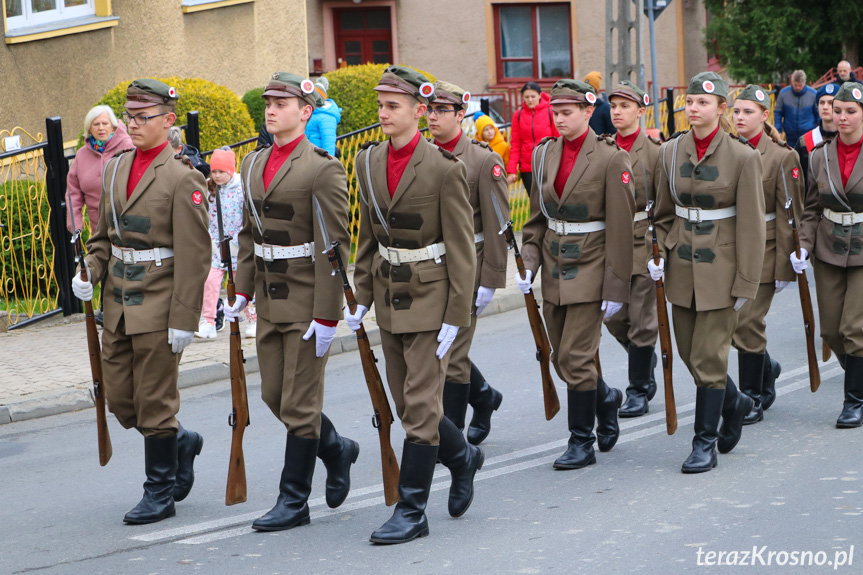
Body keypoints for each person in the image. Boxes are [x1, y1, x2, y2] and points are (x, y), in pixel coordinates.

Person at [347, 66, 480, 545]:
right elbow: (368, 237)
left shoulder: (446, 169)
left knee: (420, 408)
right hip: (388, 295)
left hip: (431, 297)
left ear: (419, 111)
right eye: (380, 106)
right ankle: (462, 455)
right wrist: (360, 295)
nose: (383, 114)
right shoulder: (366, 163)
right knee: (406, 402)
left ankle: (411, 509)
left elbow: (463, 249)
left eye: (393, 106)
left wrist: (456, 315)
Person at [70, 79, 211, 524]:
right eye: (130, 116)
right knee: (121, 401)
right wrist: (88, 271)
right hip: (117, 302)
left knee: (155, 400)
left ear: (168, 121)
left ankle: (159, 492)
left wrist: (185, 315)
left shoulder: (182, 176)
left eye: (142, 117)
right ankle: (180, 441)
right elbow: (101, 240)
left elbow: (195, 252)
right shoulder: (114, 168)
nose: (133, 123)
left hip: (160, 300)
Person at [224, 72, 360, 531]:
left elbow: (334, 246)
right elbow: (248, 234)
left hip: (306, 298)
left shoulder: (322, 167)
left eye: (281, 103)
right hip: (269, 296)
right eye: (268, 103)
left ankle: (293, 501)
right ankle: (338, 449)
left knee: (299, 403)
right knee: (272, 395)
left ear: (305, 112)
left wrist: (328, 314)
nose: (271, 109)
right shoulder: (252, 164)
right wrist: (242, 290)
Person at [517, 79, 635, 470]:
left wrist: (617, 284)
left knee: (576, 357)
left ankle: (580, 440)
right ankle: (606, 399)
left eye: (567, 112)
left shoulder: (610, 157)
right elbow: (536, 219)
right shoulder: (544, 154)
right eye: (556, 112)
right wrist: (528, 263)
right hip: (554, 266)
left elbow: (621, 227)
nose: (560, 119)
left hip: (593, 264)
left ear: (588, 112)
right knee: (561, 360)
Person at [649, 72, 764, 473]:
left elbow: (753, 225)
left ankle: (704, 441)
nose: (694, 109)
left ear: (721, 109)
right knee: (689, 353)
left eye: (703, 103)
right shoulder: (670, 152)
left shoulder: (743, 157)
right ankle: (735, 402)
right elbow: (662, 212)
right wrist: (662, 248)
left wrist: (746, 281)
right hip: (681, 266)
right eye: (691, 103)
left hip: (722, 269)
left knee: (709, 358)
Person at [427, 81, 509, 445]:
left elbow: (497, 223)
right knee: (437, 346)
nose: (432, 116)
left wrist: (491, 277)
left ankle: (452, 436)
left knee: (454, 353)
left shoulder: (482, 159)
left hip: (471, 265)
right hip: (430, 269)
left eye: (441, 110)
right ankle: (485, 396)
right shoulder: (424, 155)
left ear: (461, 115)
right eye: (428, 110)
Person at [730, 85, 802, 424]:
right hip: (731, 250)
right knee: (731, 324)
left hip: (766, 250)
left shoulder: (781, 156)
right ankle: (766, 367)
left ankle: (753, 395)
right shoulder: (727, 150)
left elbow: (792, 216)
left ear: (764, 116)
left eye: (747, 112)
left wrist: (786, 266)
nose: (740, 117)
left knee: (747, 321)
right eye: (736, 111)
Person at [793, 81, 863, 429]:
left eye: (851, 111)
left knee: (855, 328)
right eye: (838, 111)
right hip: (829, 247)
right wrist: (803, 246)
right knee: (832, 332)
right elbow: (811, 208)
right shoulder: (819, 155)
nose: (843, 117)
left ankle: (854, 400)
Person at [604, 81, 661, 417]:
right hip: (611, 241)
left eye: (625, 106)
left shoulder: (654, 152)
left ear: (641, 111)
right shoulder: (604, 149)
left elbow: (664, 202)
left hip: (642, 237)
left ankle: (638, 388)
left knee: (642, 318)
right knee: (612, 316)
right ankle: (644, 358)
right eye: (613, 106)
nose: (617, 112)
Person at [194, 147, 254, 339]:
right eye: (214, 171)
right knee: (210, 283)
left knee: (241, 285)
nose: (217, 176)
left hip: (237, 245)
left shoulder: (241, 189)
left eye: (222, 171)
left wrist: (242, 241)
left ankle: (253, 320)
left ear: (230, 171)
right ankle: (209, 322)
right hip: (216, 246)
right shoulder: (208, 189)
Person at [66, 105, 133, 233]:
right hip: (98, 229)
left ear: (113, 126)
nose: (101, 128)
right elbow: (73, 193)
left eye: (105, 123)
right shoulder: (81, 154)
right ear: (89, 129)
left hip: (127, 224)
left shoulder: (127, 146)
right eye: (96, 124)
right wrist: (75, 226)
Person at [506, 81, 559, 191]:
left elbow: (558, 140)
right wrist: (512, 170)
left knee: (549, 200)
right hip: (527, 167)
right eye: (527, 97)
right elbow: (515, 144)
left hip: (548, 164)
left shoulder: (551, 111)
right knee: (534, 203)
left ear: (540, 95)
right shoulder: (518, 115)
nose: (530, 100)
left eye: (533, 96)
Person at [796, 83, 839, 186]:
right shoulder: (804, 141)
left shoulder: (850, 139)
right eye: (821, 102)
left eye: (830, 103)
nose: (825, 107)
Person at [774, 70, 817, 147]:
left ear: (805, 82)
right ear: (791, 82)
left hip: (808, 134)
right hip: (790, 135)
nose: (797, 87)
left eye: (800, 85)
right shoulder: (783, 94)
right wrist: (778, 130)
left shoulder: (813, 94)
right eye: (795, 85)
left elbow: (818, 114)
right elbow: (777, 112)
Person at [305, 76, 341, 156]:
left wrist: (328, 163)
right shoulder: (312, 113)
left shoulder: (327, 118)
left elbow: (329, 144)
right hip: (309, 156)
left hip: (318, 159)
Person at [584, 71, 616, 136]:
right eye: (585, 86)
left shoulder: (606, 108)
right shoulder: (582, 105)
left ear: (595, 89)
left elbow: (612, 131)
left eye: (590, 87)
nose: (586, 89)